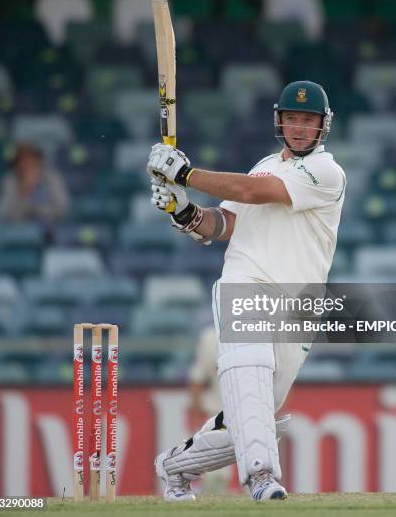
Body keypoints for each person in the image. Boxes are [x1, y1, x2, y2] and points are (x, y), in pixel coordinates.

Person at [147, 81, 346, 502]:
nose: (298, 127)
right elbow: (226, 223)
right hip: (246, 283)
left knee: (252, 415)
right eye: (291, 118)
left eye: (307, 120)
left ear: (322, 126)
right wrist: (184, 211)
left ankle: (173, 467)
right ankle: (262, 476)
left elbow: (253, 193)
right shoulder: (263, 165)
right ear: (279, 120)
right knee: (248, 372)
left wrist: (185, 174)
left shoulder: (328, 172)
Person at [188, 325, 232, 494]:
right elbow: (198, 376)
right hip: (218, 413)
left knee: (258, 468)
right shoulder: (211, 338)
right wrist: (197, 410)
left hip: (251, 412)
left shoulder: (258, 332)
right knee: (216, 476)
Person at [0, 142, 70, 224]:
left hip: (48, 227)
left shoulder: (52, 178)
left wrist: (37, 210)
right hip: (18, 229)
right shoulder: (9, 181)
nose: (26, 164)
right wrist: (23, 191)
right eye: (21, 160)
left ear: (38, 160)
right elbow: (2, 213)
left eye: (30, 158)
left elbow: (62, 209)